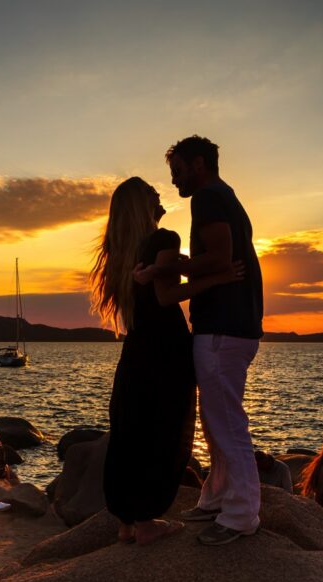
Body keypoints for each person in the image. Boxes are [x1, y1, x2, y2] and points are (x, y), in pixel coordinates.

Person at [91, 176, 243, 546]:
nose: (161, 198)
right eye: (153, 195)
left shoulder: (117, 250)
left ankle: (128, 521)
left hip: (136, 351)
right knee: (165, 429)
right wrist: (219, 278)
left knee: (133, 429)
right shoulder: (163, 239)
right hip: (166, 349)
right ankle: (146, 522)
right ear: (142, 206)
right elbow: (167, 296)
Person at [135, 136, 265, 546]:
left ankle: (242, 515)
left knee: (226, 424)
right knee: (214, 422)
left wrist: (169, 266)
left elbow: (222, 258)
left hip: (223, 329)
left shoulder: (208, 197)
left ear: (197, 164)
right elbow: (226, 257)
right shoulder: (224, 196)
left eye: (176, 173)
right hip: (231, 326)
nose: (173, 182)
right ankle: (217, 495)